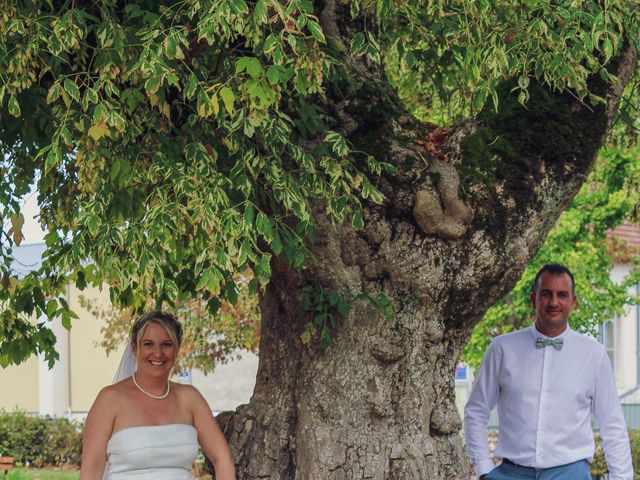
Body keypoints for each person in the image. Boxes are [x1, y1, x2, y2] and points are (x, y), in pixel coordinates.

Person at [464, 264, 633, 480]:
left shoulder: (594, 355)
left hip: (571, 473)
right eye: (546, 294)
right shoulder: (501, 349)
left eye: (562, 295)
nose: (554, 302)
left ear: (573, 302)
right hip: (510, 473)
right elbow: (476, 411)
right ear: (534, 299)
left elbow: (612, 423)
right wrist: (484, 468)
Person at [79, 311, 236, 480]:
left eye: (166, 344)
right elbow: (92, 468)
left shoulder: (190, 398)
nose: (158, 353)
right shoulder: (110, 399)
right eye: (148, 344)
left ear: (177, 348)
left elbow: (222, 459)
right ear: (134, 347)